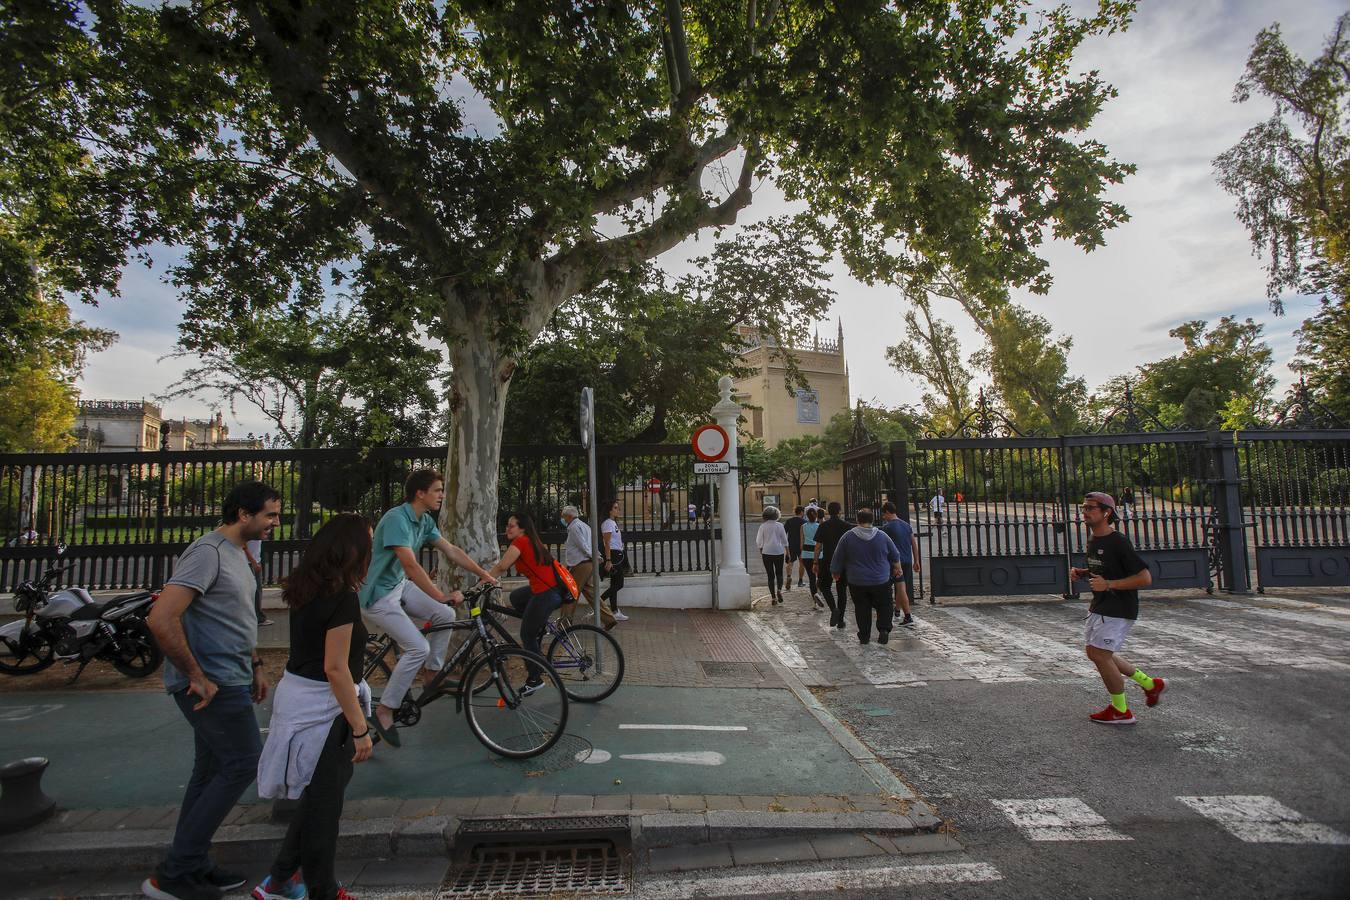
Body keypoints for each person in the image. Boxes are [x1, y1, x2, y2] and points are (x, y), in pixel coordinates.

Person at [143, 481, 281, 900]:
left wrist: (256, 664)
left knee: (208, 772)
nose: (276, 523)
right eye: (270, 515)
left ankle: (192, 864)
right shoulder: (207, 553)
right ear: (244, 514)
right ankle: (175, 873)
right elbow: (160, 619)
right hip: (211, 685)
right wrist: (195, 675)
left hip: (233, 676)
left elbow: (236, 617)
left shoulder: (240, 554)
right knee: (242, 763)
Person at [253, 514, 374, 900]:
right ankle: (323, 890)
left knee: (317, 797)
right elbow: (336, 668)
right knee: (324, 807)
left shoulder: (306, 589)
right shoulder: (343, 599)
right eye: (369, 543)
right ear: (353, 551)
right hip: (325, 709)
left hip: (299, 700)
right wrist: (360, 728)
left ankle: (280, 878)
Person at [359, 470, 496, 748]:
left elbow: (452, 551)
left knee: (444, 615)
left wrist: (485, 574)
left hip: (398, 586)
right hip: (379, 596)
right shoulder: (397, 518)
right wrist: (440, 595)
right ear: (419, 493)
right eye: (437, 490)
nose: (442, 495)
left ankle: (432, 674)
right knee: (417, 648)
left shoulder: (423, 521)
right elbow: (410, 564)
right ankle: (385, 709)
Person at [1070, 491, 1164, 726]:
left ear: (1106, 512)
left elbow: (1145, 578)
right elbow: (1103, 570)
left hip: (1118, 607)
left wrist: (1109, 584)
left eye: (1091, 508)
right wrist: (1083, 573)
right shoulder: (1094, 540)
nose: (1085, 512)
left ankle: (1121, 710)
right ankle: (1150, 684)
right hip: (1101, 605)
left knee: (1099, 654)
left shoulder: (1118, 541)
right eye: (1084, 507)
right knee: (1100, 653)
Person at [487, 512, 565, 691]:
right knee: (515, 597)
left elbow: (501, 567)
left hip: (546, 593)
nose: (507, 528)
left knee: (527, 635)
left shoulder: (521, 542)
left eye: (511, 525)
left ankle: (535, 679)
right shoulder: (531, 540)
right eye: (507, 525)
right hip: (549, 590)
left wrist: (482, 581)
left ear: (522, 529)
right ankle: (538, 625)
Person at [830, 508, 902, 645]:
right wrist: (898, 568)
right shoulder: (882, 536)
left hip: (857, 580)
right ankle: (884, 629)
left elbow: (838, 556)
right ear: (872, 520)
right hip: (880, 579)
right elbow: (895, 554)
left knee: (862, 607)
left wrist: (835, 571)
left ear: (858, 520)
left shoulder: (848, 537)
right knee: (885, 604)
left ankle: (864, 635)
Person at [560, 505, 617, 629]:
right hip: (587, 564)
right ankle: (609, 619)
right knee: (591, 593)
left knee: (570, 593)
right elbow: (591, 544)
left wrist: (595, 556)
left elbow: (583, 546)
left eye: (563, 516)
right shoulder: (585, 526)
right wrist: (597, 555)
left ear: (569, 516)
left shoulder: (574, 527)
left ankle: (564, 624)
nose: (562, 519)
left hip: (581, 565)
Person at [878, 502, 919, 627]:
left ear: (888, 512)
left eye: (884, 514)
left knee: (892, 589)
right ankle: (897, 610)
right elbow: (913, 543)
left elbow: (882, 547)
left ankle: (906, 615)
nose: (883, 517)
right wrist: (916, 560)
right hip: (907, 561)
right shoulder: (906, 525)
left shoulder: (887, 528)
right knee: (901, 588)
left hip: (895, 563)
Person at [812, 501, 851, 628]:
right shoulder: (847, 526)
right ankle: (840, 620)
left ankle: (833, 608)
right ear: (840, 511)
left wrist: (815, 562)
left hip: (828, 559)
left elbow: (818, 546)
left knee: (824, 586)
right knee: (842, 590)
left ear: (828, 511)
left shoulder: (823, 526)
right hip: (844, 561)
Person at [599, 499, 630, 621]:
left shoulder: (612, 522)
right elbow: (607, 543)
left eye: (618, 507)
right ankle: (598, 603)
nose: (618, 510)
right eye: (616, 508)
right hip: (613, 555)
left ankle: (614, 610)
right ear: (610, 510)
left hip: (618, 554)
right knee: (619, 584)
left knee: (614, 584)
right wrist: (608, 560)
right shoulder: (607, 523)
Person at [755, 506, 789, 604]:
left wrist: (761, 549)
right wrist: (788, 553)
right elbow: (785, 540)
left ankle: (773, 597)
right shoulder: (780, 525)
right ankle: (779, 589)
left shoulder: (763, 526)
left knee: (770, 575)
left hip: (767, 552)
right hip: (779, 551)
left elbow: (759, 541)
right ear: (776, 515)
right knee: (779, 573)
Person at [800, 507, 825, 609]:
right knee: (820, 576)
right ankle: (818, 593)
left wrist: (801, 554)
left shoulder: (803, 526)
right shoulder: (820, 526)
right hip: (818, 553)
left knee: (811, 578)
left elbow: (801, 542)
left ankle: (814, 601)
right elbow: (822, 542)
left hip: (806, 553)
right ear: (816, 516)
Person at [245, 537, 271, 627]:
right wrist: (253, 562)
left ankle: (257, 617)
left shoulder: (256, 530)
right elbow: (243, 546)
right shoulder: (249, 529)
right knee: (255, 590)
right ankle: (257, 618)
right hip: (249, 562)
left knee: (257, 589)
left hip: (255, 561)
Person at [784, 505, 806, 589]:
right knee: (802, 563)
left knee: (790, 562)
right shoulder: (804, 522)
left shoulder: (789, 521)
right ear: (801, 512)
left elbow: (784, 533)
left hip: (791, 544)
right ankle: (800, 581)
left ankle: (789, 577)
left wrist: (785, 544)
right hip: (801, 545)